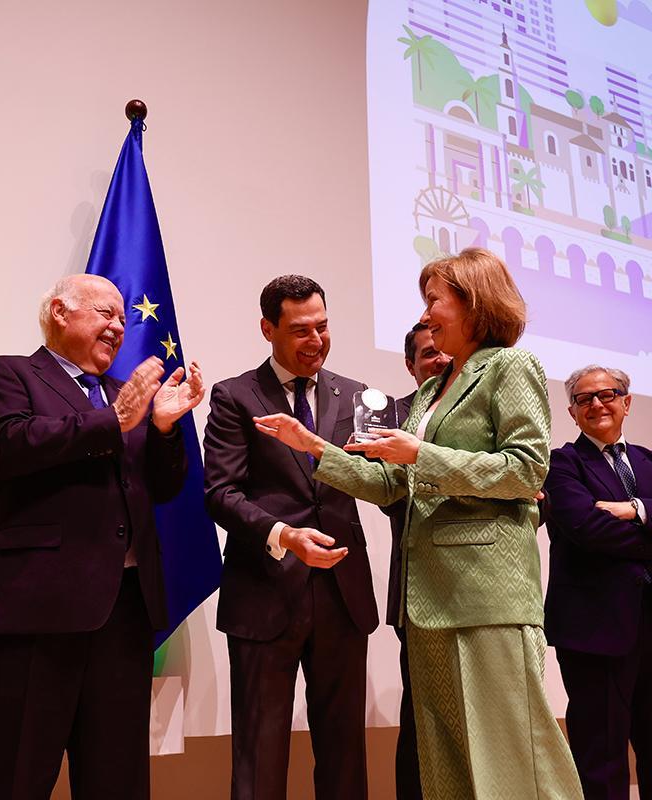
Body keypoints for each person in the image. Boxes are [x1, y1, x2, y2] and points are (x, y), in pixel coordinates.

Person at [254, 248, 581, 799]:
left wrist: (418, 455)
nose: (425, 316)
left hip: (487, 595)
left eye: (435, 301)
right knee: (445, 760)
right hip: (428, 599)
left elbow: (527, 470)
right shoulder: (432, 389)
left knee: (514, 756)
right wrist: (315, 448)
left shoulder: (509, 367)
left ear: (474, 303)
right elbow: (391, 486)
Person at [0, 273, 204, 800]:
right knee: (18, 778)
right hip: (36, 613)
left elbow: (164, 489)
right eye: (106, 314)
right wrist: (114, 421)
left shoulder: (128, 397)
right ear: (59, 312)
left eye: (122, 317)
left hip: (124, 615)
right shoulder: (7, 375)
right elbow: (10, 446)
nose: (119, 327)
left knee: (116, 780)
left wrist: (163, 429)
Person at [204, 275, 378, 800]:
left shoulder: (357, 396)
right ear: (268, 329)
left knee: (345, 753)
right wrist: (283, 534)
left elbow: (384, 483)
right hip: (264, 591)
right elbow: (220, 492)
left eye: (323, 327)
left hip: (342, 595)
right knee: (260, 753)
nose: (316, 341)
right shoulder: (236, 396)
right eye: (301, 330)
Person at [543, 365, 652, 800]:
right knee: (600, 757)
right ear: (573, 412)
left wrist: (634, 509)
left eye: (608, 394)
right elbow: (587, 529)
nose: (597, 403)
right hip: (592, 631)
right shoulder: (561, 463)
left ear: (627, 402)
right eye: (585, 399)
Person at [383, 322, 450, 800]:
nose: (441, 360)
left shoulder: (483, 408)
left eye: (447, 351)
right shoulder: (390, 419)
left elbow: (532, 496)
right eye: (429, 355)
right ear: (411, 366)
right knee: (420, 719)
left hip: (485, 591)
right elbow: (391, 496)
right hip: (418, 591)